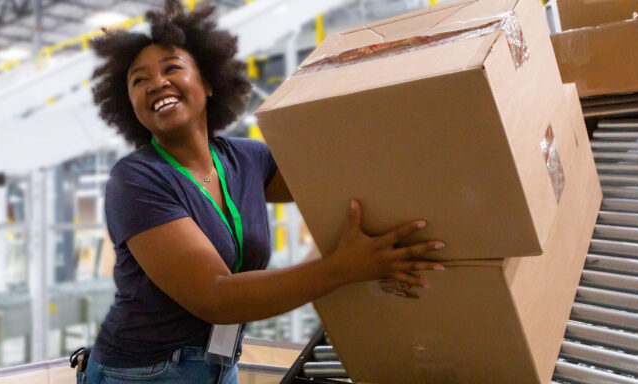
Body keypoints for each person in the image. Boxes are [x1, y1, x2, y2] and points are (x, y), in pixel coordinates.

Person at [78, 1, 445, 382]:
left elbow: (339, 178)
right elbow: (213, 296)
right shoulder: (135, 181)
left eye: (172, 68)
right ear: (129, 105)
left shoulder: (246, 160)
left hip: (220, 363)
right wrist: (342, 268)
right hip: (144, 372)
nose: (156, 83)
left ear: (207, 82)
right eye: (139, 80)